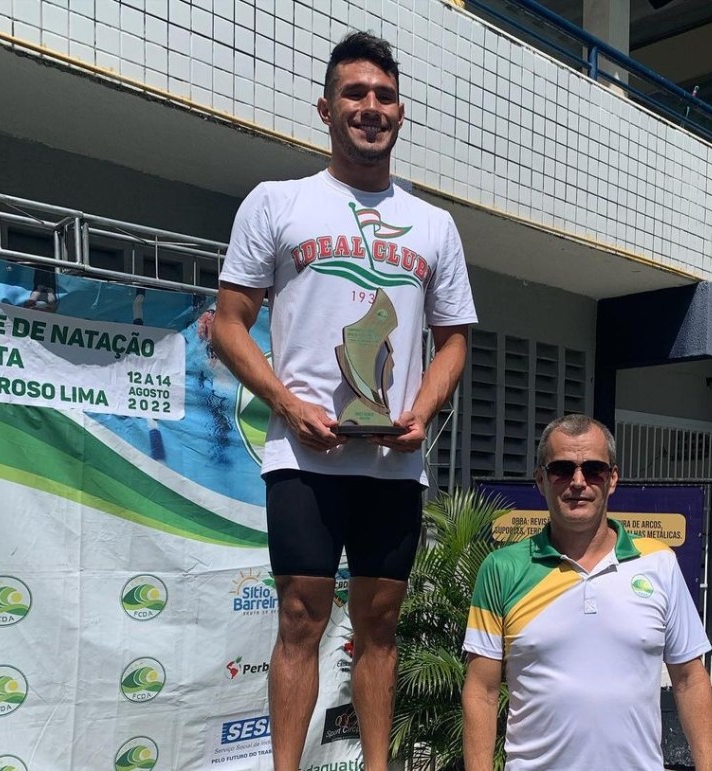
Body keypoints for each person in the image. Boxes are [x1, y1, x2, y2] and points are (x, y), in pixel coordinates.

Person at [212, 31, 477, 771]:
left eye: (384, 96)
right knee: (301, 617)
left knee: (380, 624)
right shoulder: (279, 202)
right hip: (304, 456)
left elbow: (454, 341)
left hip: (392, 461)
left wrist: (422, 409)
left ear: (400, 113)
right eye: (355, 93)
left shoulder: (435, 224)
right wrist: (286, 403)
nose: (370, 106)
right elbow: (230, 323)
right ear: (326, 109)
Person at [462, 414, 712, 771]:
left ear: (612, 479)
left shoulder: (659, 563)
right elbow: (482, 691)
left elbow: (690, 679)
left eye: (594, 469)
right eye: (562, 469)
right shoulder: (501, 569)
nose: (578, 482)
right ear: (540, 480)